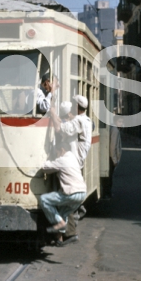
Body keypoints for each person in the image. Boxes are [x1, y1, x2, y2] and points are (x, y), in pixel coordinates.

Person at [50, 94, 92, 246]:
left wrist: (53, 111)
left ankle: (68, 234)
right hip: (76, 164)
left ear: (76, 106)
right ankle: (63, 234)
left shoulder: (79, 121)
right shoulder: (87, 120)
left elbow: (60, 128)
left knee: (65, 201)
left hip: (71, 165)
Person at [40, 139, 87, 241]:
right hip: (82, 194)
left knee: (44, 199)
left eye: (56, 152)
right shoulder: (73, 158)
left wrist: (46, 159)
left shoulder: (62, 160)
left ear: (61, 150)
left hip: (72, 193)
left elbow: (45, 167)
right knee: (62, 213)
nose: (56, 155)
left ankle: (60, 224)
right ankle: (60, 239)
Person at [105, 115, 123, 199]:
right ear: (115, 121)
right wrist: (115, 159)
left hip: (110, 157)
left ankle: (107, 193)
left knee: (109, 177)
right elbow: (113, 147)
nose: (121, 123)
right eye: (120, 121)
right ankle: (108, 193)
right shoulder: (115, 130)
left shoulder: (113, 129)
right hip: (111, 158)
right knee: (109, 177)